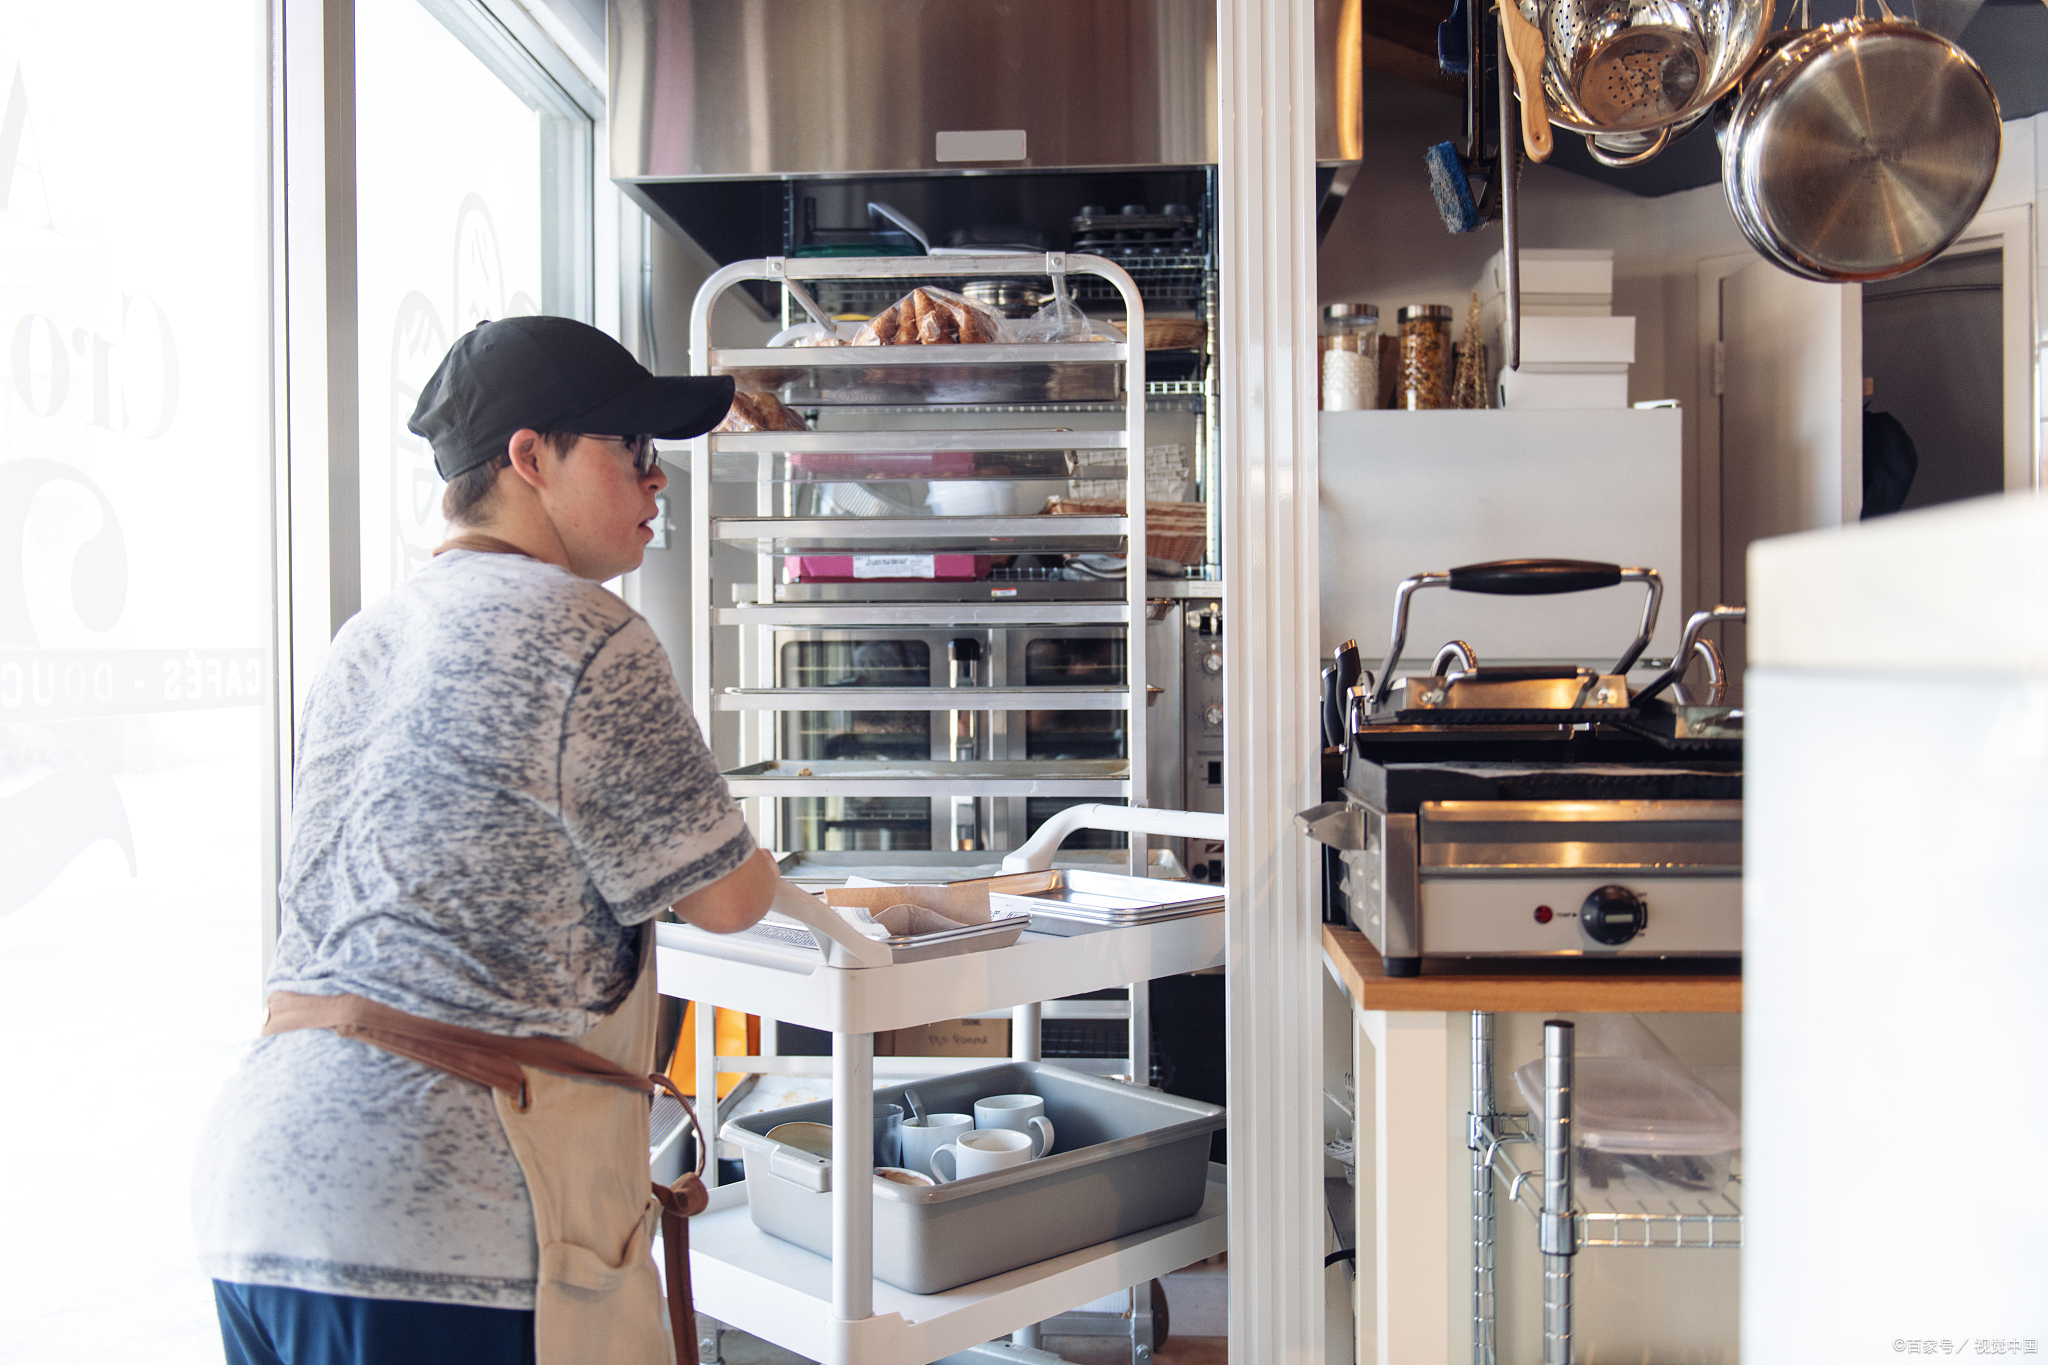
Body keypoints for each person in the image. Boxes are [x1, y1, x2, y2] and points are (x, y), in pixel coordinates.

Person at [191, 316, 776, 1365]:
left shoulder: (367, 636)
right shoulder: (586, 630)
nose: (658, 485)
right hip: (445, 1202)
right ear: (527, 457)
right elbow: (729, 900)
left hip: (258, 1191)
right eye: (632, 451)